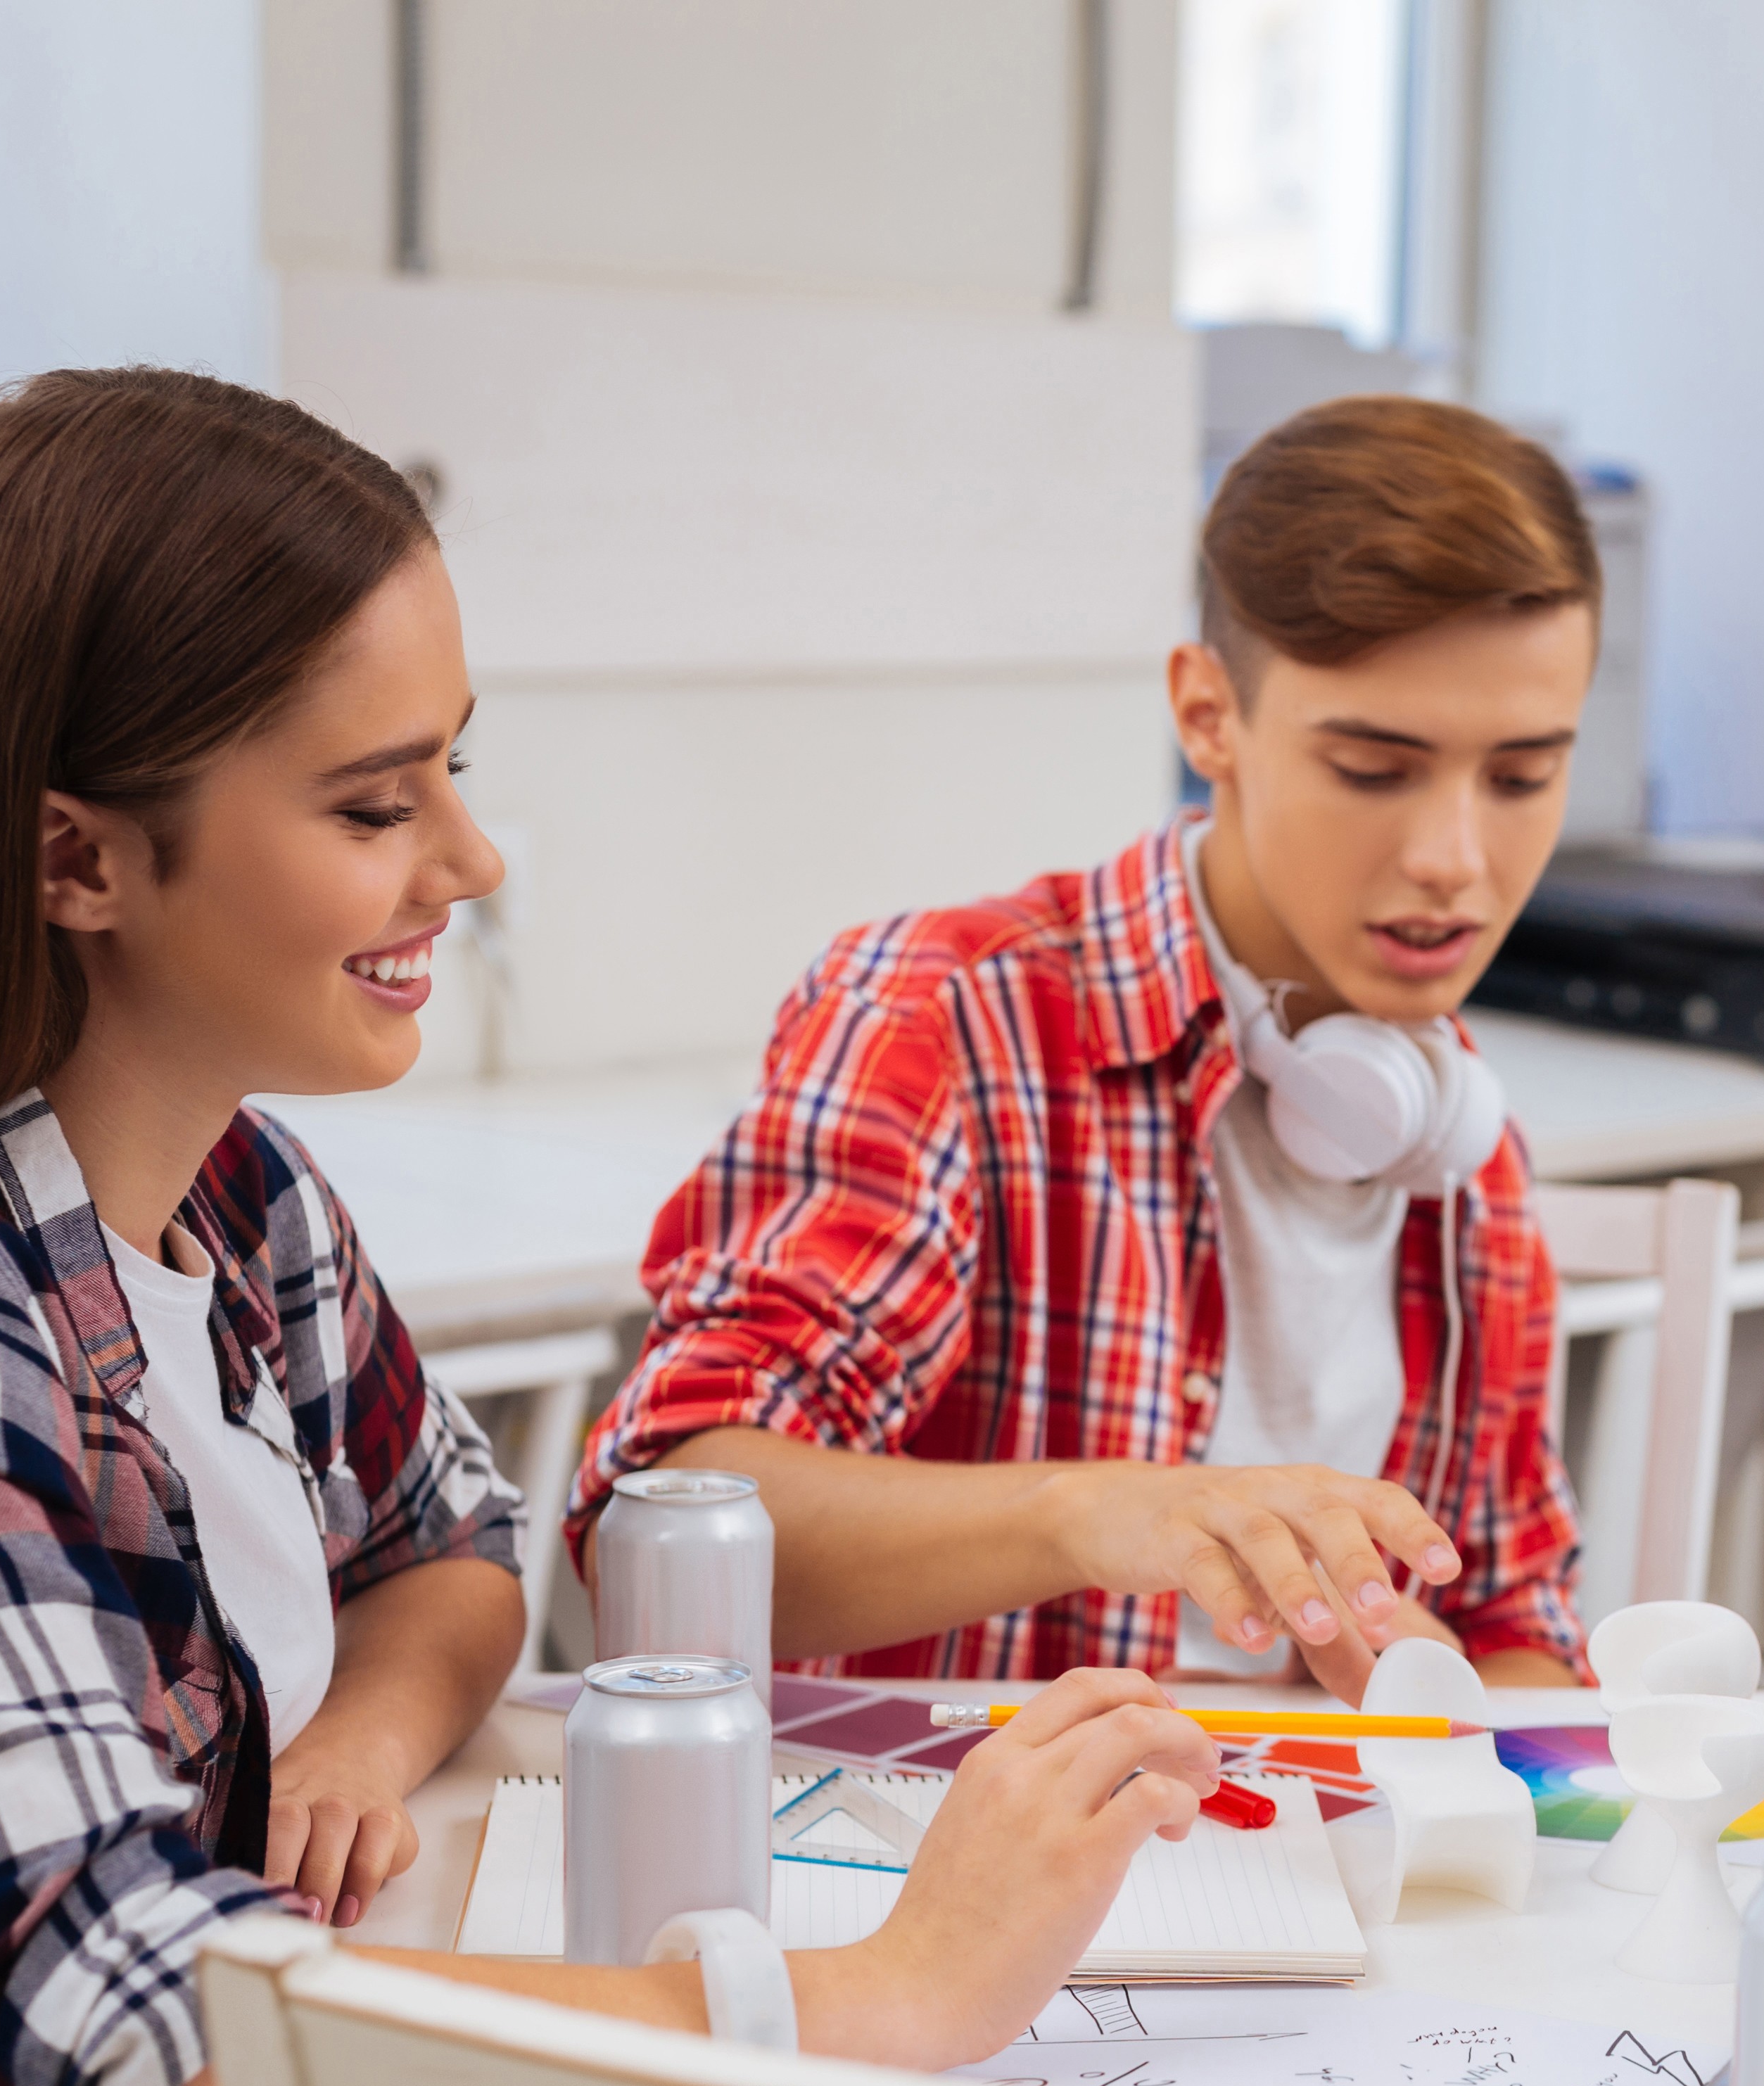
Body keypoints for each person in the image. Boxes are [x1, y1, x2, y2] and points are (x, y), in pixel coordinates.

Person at [0, 371, 1214, 2086]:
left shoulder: (238, 1203)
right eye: (376, 806)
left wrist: (361, 1734)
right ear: (74, 858)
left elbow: (460, 1545)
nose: (473, 866)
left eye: (455, 773)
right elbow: (156, 2061)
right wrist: (882, 1997)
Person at [578, 396, 1599, 1700]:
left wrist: (1461, 1709)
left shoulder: (1459, 1137)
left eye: (1520, 780)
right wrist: (1096, 1516)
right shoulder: (947, 1018)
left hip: (1313, 1864)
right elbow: (655, 1544)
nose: (1457, 859)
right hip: (960, 1861)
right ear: (1208, 714)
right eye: (1371, 768)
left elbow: (1518, 1618)